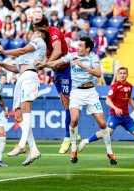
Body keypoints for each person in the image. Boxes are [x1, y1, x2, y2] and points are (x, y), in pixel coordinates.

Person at [35, 36, 116, 164]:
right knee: (74, 120)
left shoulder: (93, 57)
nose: (77, 48)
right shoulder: (72, 56)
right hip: (76, 93)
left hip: (91, 93)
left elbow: (98, 73)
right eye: (77, 45)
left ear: (87, 49)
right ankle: (73, 150)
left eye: (80, 46)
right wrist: (44, 64)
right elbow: (56, 63)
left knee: (102, 123)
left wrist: (82, 66)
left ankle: (109, 151)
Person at [79, 67, 134, 162]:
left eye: (124, 73)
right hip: (115, 116)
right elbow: (107, 100)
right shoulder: (115, 86)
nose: (122, 75)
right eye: (121, 73)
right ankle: (86, 141)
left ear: (127, 74)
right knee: (108, 132)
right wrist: (116, 108)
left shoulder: (130, 86)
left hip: (126, 116)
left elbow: (129, 98)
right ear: (118, 74)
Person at [0, 29, 49, 166]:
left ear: (39, 35)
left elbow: (22, 50)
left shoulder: (38, 41)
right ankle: (34, 149)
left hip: (30, 76)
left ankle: (22, 144)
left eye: (33, 33)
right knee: (18, 116)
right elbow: (17, 68)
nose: (31, 35)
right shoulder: (30, 52)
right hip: (22, 77)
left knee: (25, 109)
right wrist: (2, 65)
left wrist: (5, 52)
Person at [33, 14, 79, 154]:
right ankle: (74, 133)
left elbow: (58, 51)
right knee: (65, 104)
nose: (36, 32)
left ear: (45, 27)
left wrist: (46, 64)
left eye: (37, 29)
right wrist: (46, 62)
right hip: (57, 71)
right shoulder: (42, 36)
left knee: (68, 102)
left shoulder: (54, 33)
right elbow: (46, 53)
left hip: (66, 70)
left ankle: (68, 137)